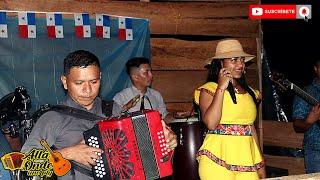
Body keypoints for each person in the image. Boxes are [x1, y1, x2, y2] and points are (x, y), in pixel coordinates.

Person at [21, 50, 177, 180]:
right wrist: (68, 153)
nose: (88, 90)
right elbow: (24, 162)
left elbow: (139, 148)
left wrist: (164, 140)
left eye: (94, 82)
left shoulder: (114, 110)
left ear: (100, 78)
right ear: (64, 81)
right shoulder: (52, 118)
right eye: (79, 83)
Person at [194, 39, 266, 179]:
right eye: (233, 60)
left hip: (247, 160)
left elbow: (250, 128)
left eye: (242, 60)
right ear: (221, 63)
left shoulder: (251, 92)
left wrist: (260, 163)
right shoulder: (209, 89)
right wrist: (221, 87)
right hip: (216, 159)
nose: (240, 64)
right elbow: (211, 123)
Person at [113, 57, 169, 122]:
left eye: (150, 71)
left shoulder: (156, 95)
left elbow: (164, 117)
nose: (151, 75)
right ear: (135, 77)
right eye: (146, 72)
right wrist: (125, 108)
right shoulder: (121, 97)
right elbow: (113, 121)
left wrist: (178, 116)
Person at [292, 59, 320, 173]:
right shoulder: (306, 92)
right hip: (316, 152)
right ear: (316, 69)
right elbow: (297, 125)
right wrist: (309, 121)